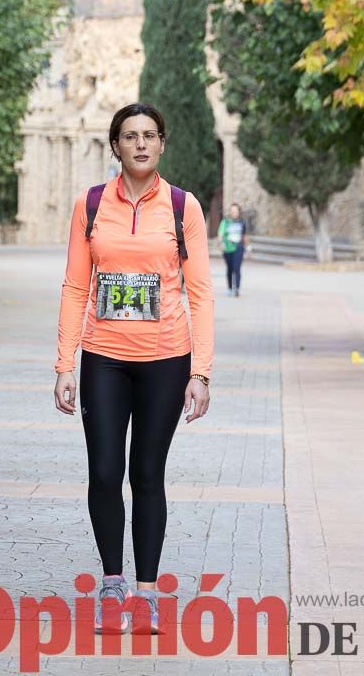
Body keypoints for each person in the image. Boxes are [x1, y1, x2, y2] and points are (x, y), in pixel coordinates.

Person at [53, 103, 214, 634]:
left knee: (147, 474)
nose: (140, 144)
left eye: (149, 136)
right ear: (115, 146)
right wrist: (64, 363)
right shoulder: (91, 205)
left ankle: (146, 593)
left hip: (166, 360)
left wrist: (202, 371)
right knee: (104, 472)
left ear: (162, 144)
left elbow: (201, 293)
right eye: (129, 136)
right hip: (103, 359)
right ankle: (111, 584)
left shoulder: (183, 206)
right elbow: (77, 285)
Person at [217, 203, 249, 297]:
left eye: (235, 211)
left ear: (239, 212)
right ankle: (230, 288)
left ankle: (237, 289)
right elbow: (220, 234)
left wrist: (248, 248)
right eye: (232, 211)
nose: (233, 213)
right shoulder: (225, 222)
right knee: (230, 268)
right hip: (227, 248)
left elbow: (244, 236)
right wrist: (221, 243)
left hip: (239, 247)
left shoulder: (242, 222)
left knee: (237, 268)